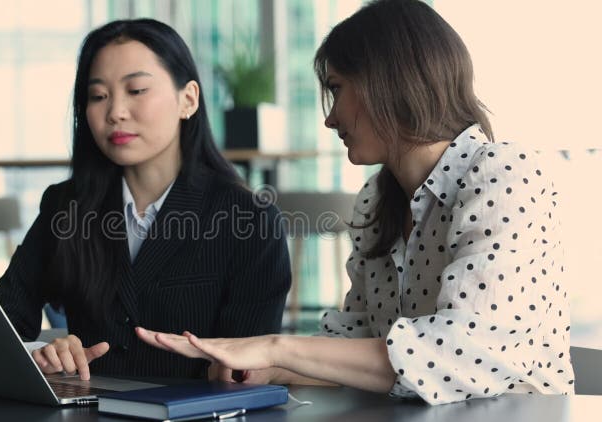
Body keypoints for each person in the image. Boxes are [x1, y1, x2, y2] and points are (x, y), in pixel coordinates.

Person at [136, 0, 574, 405]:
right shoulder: (376, 201)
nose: (329, 117)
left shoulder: (506, 173)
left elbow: (465, 354)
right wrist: (271, 367)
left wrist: (275, 345)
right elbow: (363, 332)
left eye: (337, 87)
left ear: (390, 80)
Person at [0, 18, 291, 381]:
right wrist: (43, 354)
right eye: (98, 96)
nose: (115, 111)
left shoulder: (250, 219)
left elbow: (246, 371)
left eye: (136, 91)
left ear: (188, 99)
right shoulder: (65, 206)